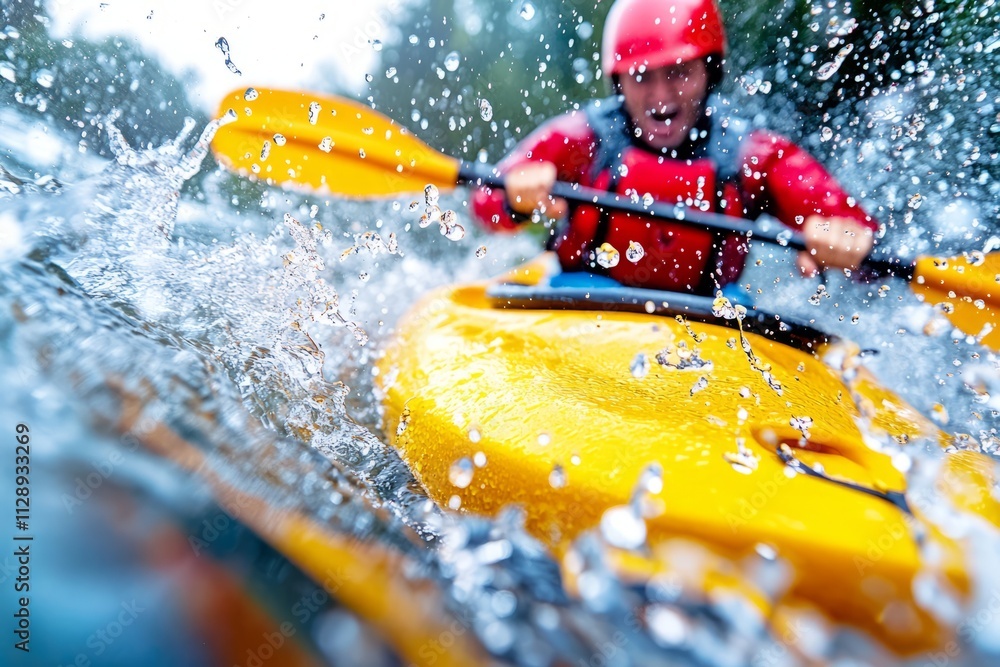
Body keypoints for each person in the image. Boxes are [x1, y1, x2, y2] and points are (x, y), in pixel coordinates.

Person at [471, 0, 877, 295]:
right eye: (643, 77)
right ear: (619, 81)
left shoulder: (755, 158)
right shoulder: (580, 141)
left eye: (681, 73)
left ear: (709, 73)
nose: (661, 96)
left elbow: (861, 235)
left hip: (710, 321)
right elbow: (484, 202)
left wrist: (847, 241)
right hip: (579, 300)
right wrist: (516, 201)